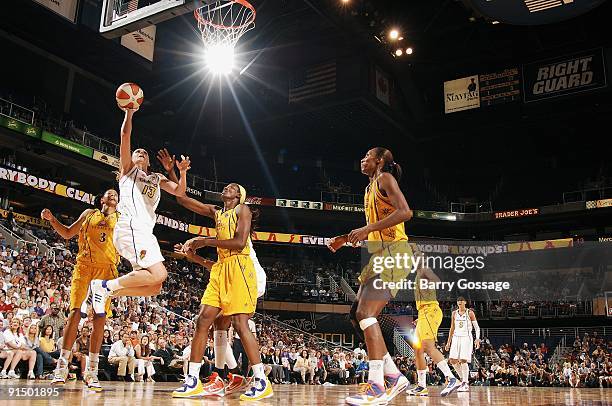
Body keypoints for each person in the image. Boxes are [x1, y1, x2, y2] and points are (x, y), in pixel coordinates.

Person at [158, 148, 266, 396]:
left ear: (239, 195)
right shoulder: (217, 213)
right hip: (221, 269)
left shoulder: (242, 210)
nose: (226, 188)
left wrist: (204, 241)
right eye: (226, 186)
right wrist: (174, 172)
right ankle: (194, 379)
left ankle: (259, 379)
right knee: (203, 320)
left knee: (239, 323)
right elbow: (183, 199)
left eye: (232, 187)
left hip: (241, 268)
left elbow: (239, 243)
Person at [327, 147, 412, 404]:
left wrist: (367, 229)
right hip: (379, 255)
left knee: (366, 314)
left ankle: (377, 386)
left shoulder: (385, 178)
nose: (362, 159)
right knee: (356, 316)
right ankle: (394, 377)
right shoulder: (368, 189)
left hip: (395, 252)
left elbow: (406, 212)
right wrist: (346, 238)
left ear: (379, 161)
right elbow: (373, 231)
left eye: (367, 156)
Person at [90, 108, 190, 319]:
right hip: (131, 228)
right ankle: (103, 286)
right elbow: (125, 136)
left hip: (146, 233)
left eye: (144, 153)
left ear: (149, 161)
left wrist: (181, 172)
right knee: (160, 273)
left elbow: (180, 192)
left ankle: (109, 293)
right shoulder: (128, 171)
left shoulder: (157, 178)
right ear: (131, 158)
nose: (141, 153)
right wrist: (129, 112)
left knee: (155, 286)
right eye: (137, 152)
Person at [41, 189, 119, 390]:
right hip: (84, 267)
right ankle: (61, 367)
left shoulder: (122, 218)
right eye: (109, 193)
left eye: (116, 194)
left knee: (100, 318)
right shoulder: (89, 214)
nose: (113, 195)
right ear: (101, 199)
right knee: (75, 314)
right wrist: (52, 219)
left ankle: (91, 372)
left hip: (107, 270)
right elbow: (67, 233)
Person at [406, 265, 460, 397]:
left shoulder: (424, 270)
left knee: (428, 347)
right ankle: (421, 386)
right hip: (423, 314)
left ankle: (452, 378)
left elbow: (437, 281)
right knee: (417, 349)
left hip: (431, 310)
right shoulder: (418, 274)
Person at [445, 296, 481, 392]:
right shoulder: (454, 313)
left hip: (466, 337)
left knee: (463, 360)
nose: (460, 302)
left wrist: (477, 339)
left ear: (465, 302)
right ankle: (463, 379)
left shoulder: (470, 313)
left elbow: (477, 328)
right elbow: (452, 328)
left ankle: (465, 383)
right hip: (456, 337)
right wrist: (448, 342)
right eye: (458, 301)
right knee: (452, 360)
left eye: (461, 301)